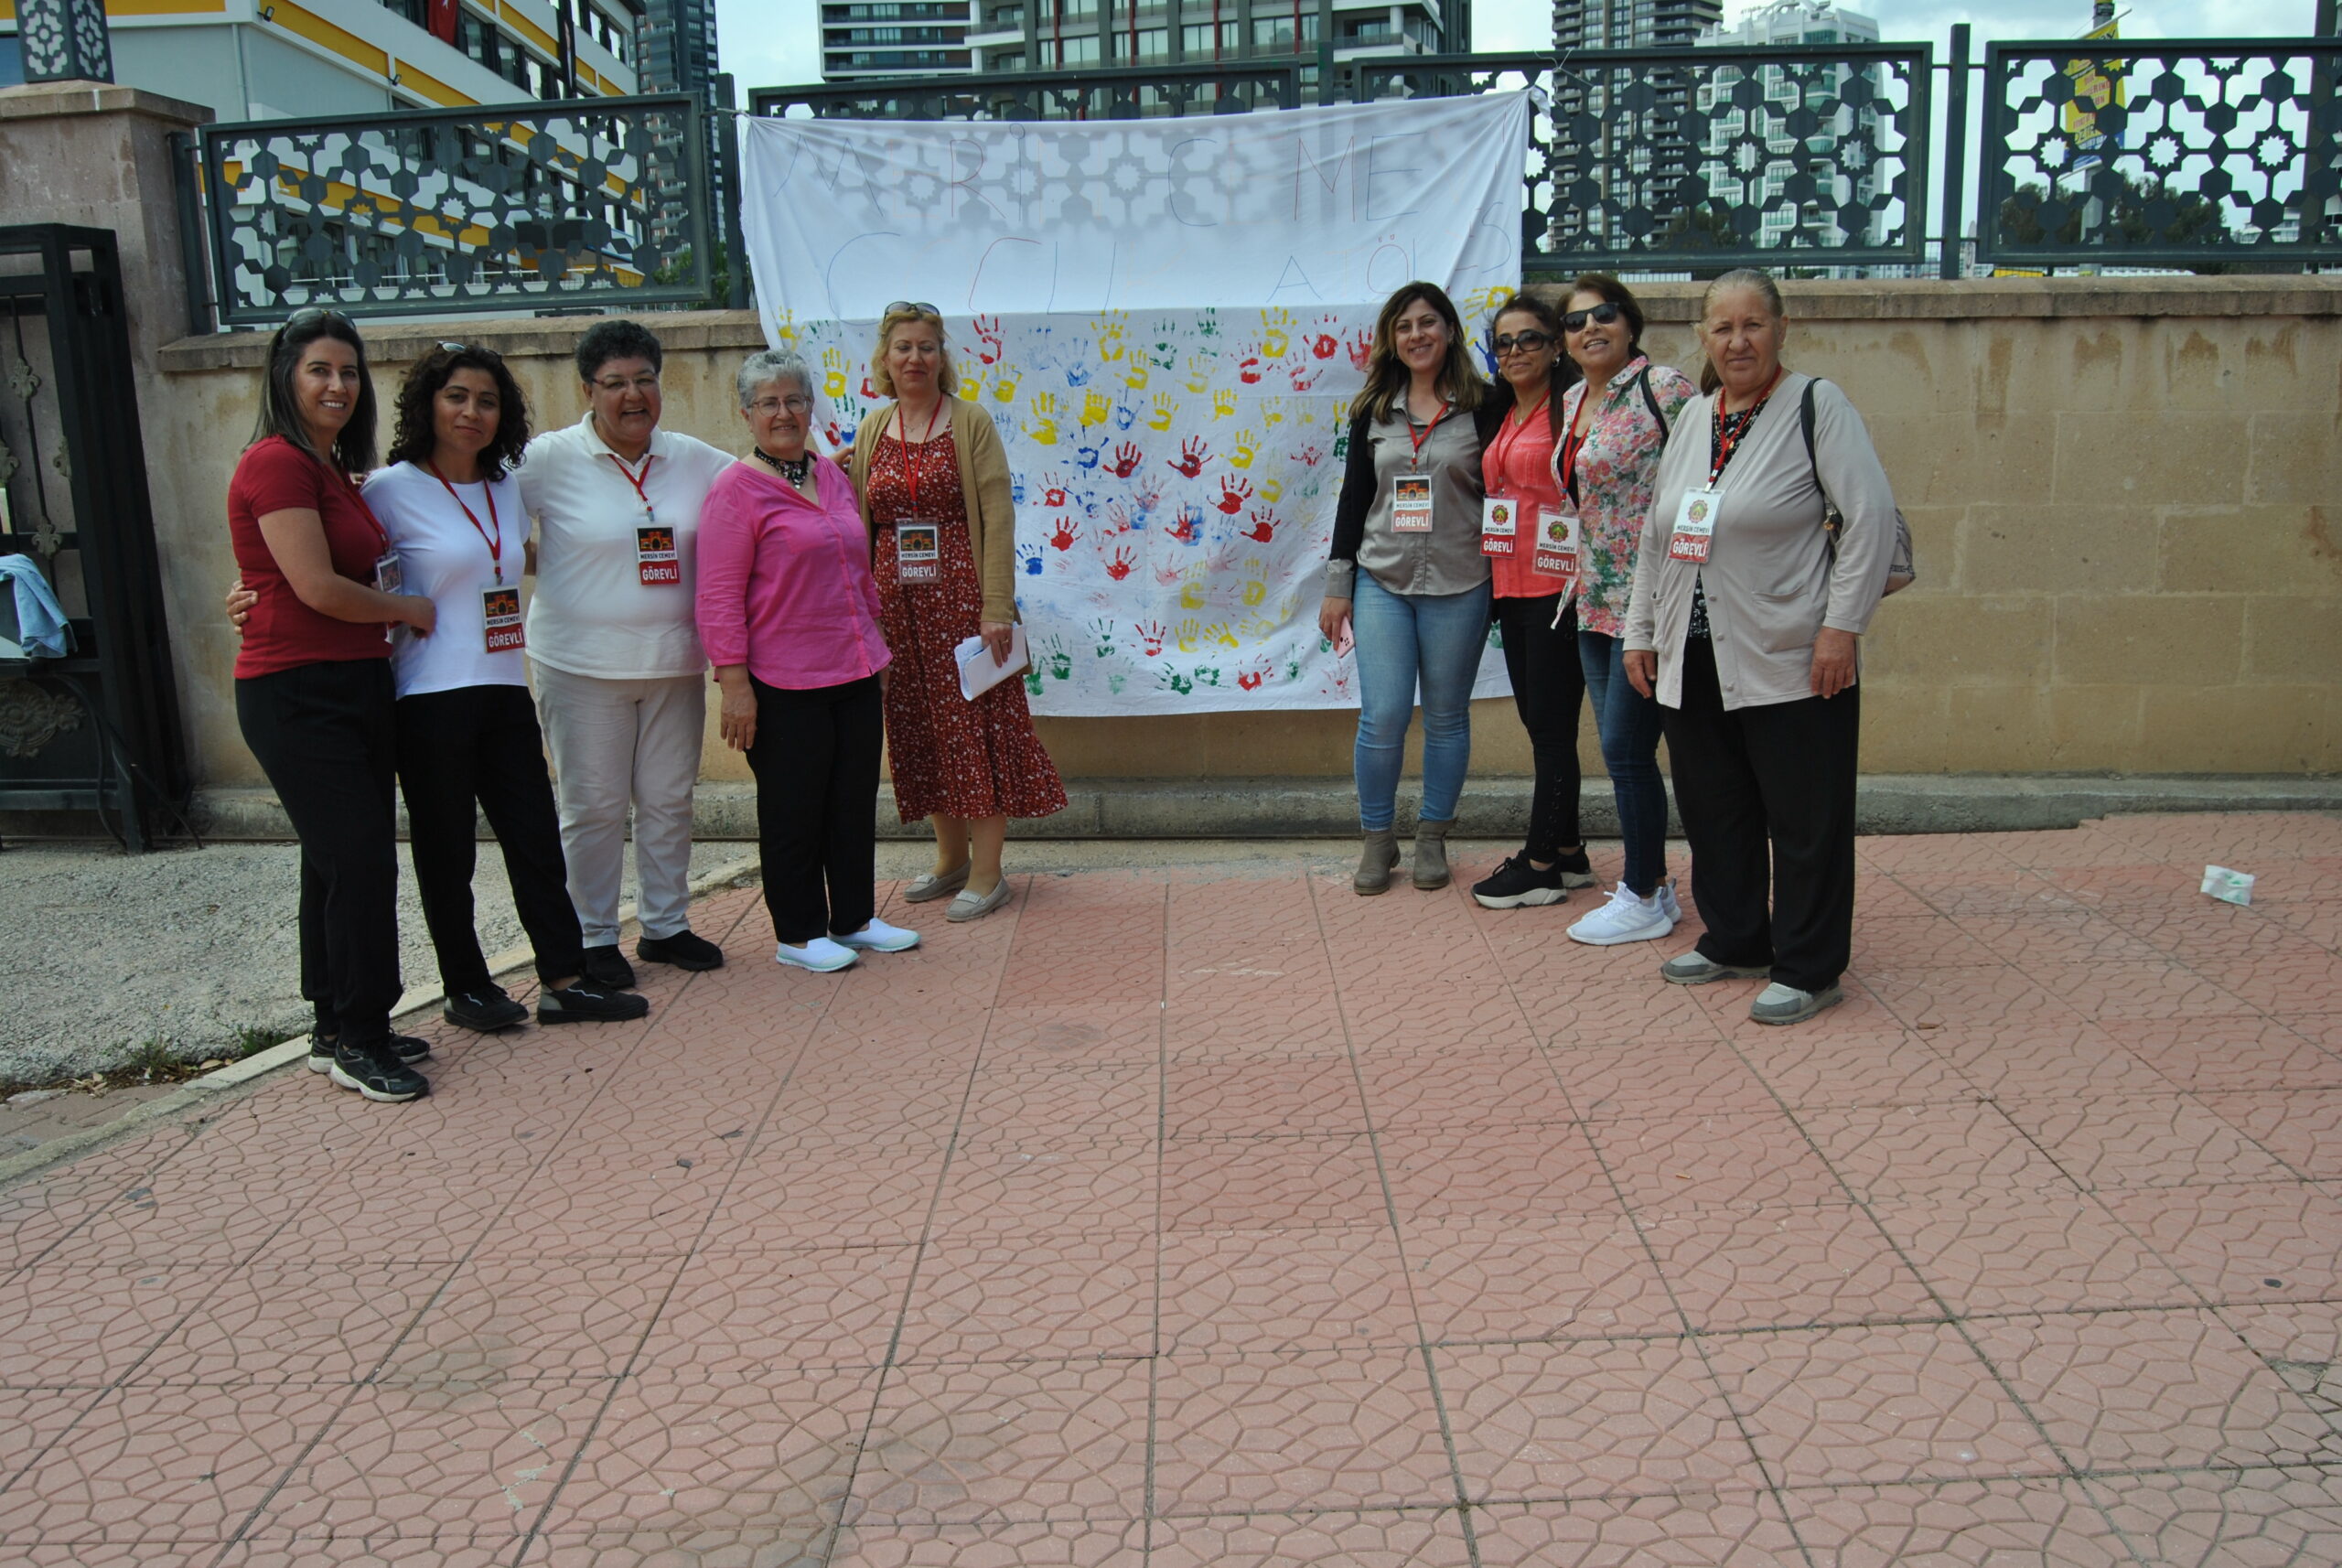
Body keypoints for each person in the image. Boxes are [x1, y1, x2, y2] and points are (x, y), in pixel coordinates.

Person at [1623, 268, 1898, 1025]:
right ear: (1704, 338)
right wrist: (1640, 634)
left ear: (1781, 328)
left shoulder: (1817, 405)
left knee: (1805, 820)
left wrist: (1842, 629)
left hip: (1791, 652)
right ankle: (1737, 937)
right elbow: (1656, 538)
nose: (1737, 340)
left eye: (1752, 325)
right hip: (1694, 653)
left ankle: (1809, 966)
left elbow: (1868, 517)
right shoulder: (1694, 418)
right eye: (1722, 328)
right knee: (1716, 810)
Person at [228, 310, 433, 1102]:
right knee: (360, 860)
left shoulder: (329, 468)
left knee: (334, 862)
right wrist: (408, 611)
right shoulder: (276, 463)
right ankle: (363, 1036)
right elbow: (311, 588)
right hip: (297, 689)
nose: (337, 386)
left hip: (353, 683)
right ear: (286, 377)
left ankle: (333, 1023)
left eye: (349, 372)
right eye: (319, 370)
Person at [519, 320, 737, 986]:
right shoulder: (547, 459)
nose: (633, 396)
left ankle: (666, 926)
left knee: (669, 798)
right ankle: (593, 936)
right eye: (615, 383)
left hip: (674, 662)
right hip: (580, 666)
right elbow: (471, 512)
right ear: (588, 390)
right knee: (594, 805)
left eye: (645, 380)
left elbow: (769, 491)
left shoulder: (694, 458)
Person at [700, 350, 919, 972]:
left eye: (795, 399)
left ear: (810, 407)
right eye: (768, 402)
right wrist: (734, 685)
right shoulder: (734, 491)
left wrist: (875, 644)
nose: (784, 412)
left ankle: (852, 919)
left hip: (851, 666)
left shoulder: (827, 475)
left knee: (850, 801)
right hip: (781, 678)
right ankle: (797, 934)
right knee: (794, 808)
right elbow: (717, 597)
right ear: (747, 414)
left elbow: (858, 563)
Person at [845, 302, 1066, 922]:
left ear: (943, 357)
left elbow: (998, 515)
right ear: (885, 360)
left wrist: (996, 605)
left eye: (927, 347)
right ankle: (950, 861)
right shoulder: (872, 429)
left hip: (963, 604)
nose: (915, 358)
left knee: (974, 733)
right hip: (896, 608)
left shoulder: (970, 422)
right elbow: (858, 515)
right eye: (903, 348)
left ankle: (990, 872)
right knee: (918, 730)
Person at [1319, 282, 1503, 896]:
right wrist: (1337, 586)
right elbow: (1353, 501)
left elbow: (1505, 495)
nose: (1417, 335)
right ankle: (1378, 840)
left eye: (1429, 322)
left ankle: (1432, 837)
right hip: (1383, 581)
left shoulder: (1485, 405)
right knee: (1385, 715)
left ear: (1449, 331)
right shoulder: (1373, 409)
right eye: (1404, 326)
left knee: (1447, 717)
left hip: (1462, 581)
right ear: (1391, 341)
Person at [1553, 275, 1700, 947]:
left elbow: (1704, 480)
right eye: (1576, 322)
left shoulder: (1664, 389)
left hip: (1650, 599)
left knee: (1627, 749)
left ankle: (1640, 892)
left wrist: (1686, 569)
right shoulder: (1574, 398)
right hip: (1592, 598)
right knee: (1625, 756)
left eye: (1603, 315)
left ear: (1630, 323)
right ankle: (1656, 887)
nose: (1590, 329)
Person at [1467, 291, 1594, 910]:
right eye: (1504, 342)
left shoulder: (1571, 410)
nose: (1515, 351)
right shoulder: (1499, 411)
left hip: (1559, 590)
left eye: (1529, 340)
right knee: (1542, 725)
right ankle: (1569, 851)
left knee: (1550, 731)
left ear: (1554, 347)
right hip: (1510, 587)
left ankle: (1540, 865)